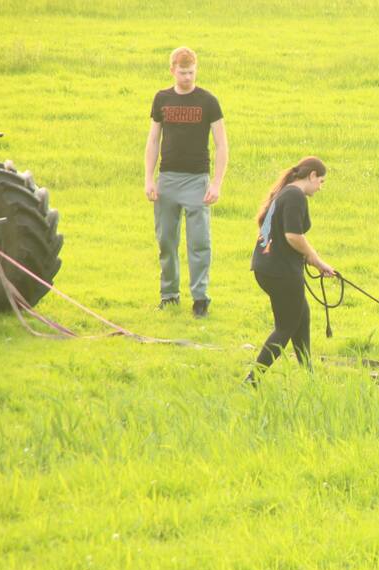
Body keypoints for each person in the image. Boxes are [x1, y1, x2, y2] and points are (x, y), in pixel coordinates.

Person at [144, 46, 228, 317]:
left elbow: (221, 145)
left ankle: (200, 298)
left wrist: (216, 183)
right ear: (172, 70)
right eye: (182, 72)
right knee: (166, 240)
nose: (187, 77)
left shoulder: (208, 101)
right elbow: (153, 140)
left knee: (199, 241)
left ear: (196, 70)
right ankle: (169, 295)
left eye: (191, 72)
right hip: (167, 179)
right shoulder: (162, 99)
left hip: (197, 180)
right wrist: (149, 178)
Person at [245, 157, 336, 385]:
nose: (320, 187)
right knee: (285, 327)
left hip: (266, 268)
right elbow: (293, 236)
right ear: (312, 175)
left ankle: (309, 378)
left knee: (301, 318)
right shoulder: (295, 196)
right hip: (281, 272)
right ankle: (252, 380)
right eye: (321, 181)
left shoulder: (285, 192)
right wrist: (316, 260)